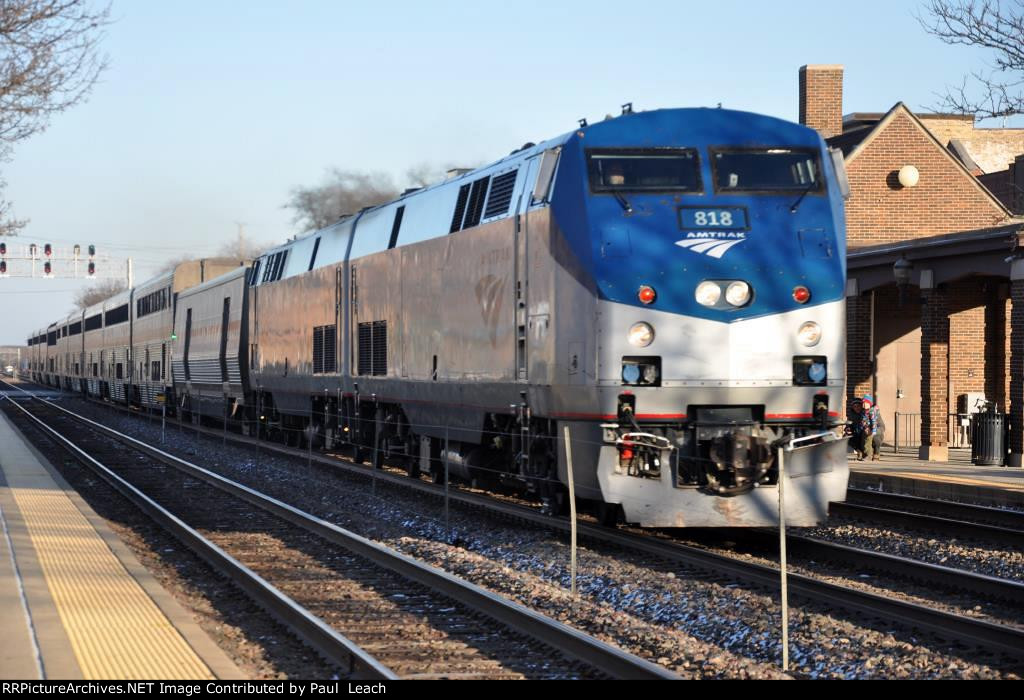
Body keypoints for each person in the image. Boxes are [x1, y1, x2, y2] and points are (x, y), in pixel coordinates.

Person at [860, 395, 878, 461]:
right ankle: (865, 455)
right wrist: (864, 427)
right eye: (863, 403)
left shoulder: (872, 411)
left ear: (870, 404)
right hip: (866, 429)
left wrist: (873, 431)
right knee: (864, 442)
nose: (864, 405)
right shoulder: (864, 411)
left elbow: (874, 421)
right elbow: (863, 420)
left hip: (870, 430)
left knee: (868, 443)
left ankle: (869, 456)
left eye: (866, 403)